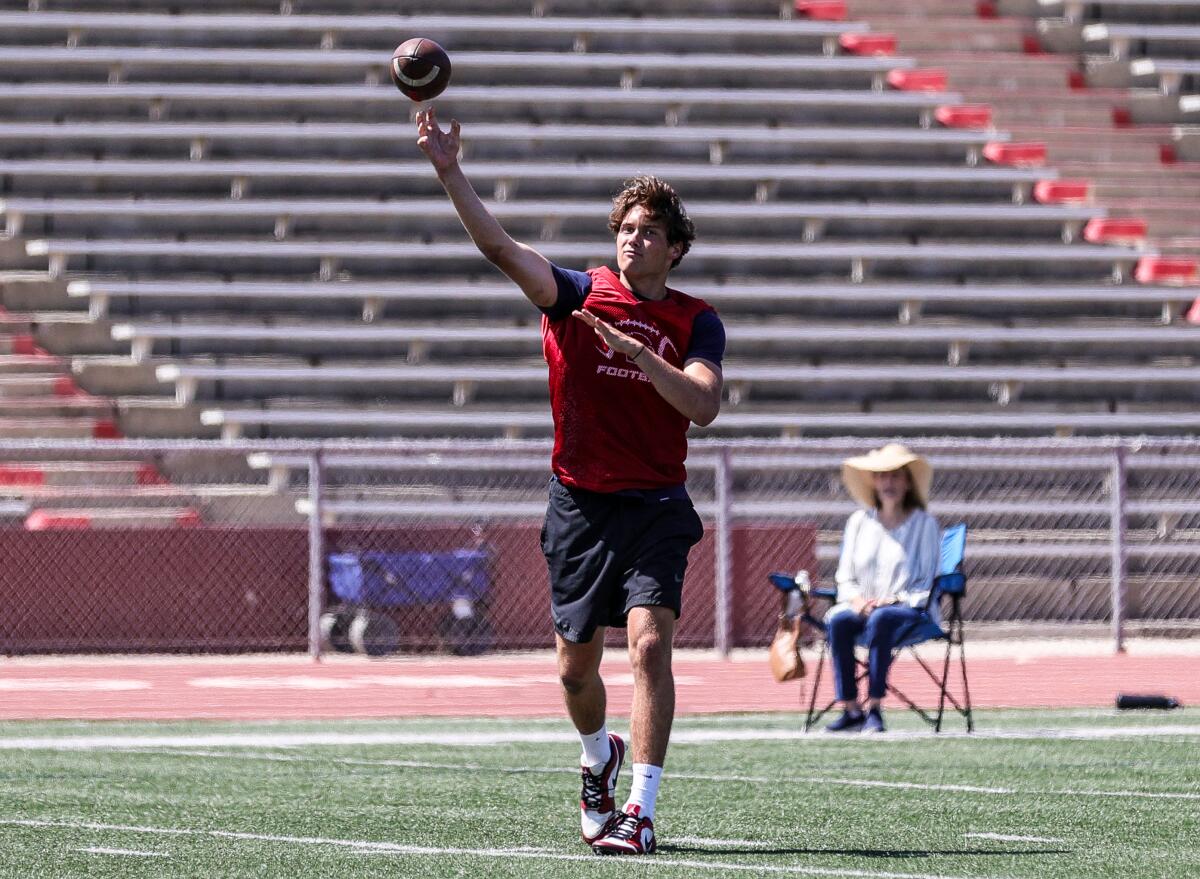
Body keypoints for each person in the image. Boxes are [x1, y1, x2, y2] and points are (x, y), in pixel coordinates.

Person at [415, 107, 725, 855]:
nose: (632, 238)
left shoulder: (695, 320)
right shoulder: (577, 294)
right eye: (625, 226)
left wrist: (641, 354)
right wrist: (449, 170)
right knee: (574, 667)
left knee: (650, 647)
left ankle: (641, 810)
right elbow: (498, 247)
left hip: (654, 503)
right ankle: (598, 758)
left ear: (675, 249)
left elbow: (704, 404)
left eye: (649, 230)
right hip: (580, 504)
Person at [824, 443, 940, 734]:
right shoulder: (858, 522)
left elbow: (928, 580)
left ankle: (874, 706)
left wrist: (895, 600)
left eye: (896, 476)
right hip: (863, 608)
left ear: (907, 482)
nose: (888, 483)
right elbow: (845, 576)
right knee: (838, 620)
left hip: (908, 612)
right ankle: (851, 709)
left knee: (882, 619)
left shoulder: (925, 525)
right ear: (873, 482)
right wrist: (857, 599)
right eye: (882, 476)